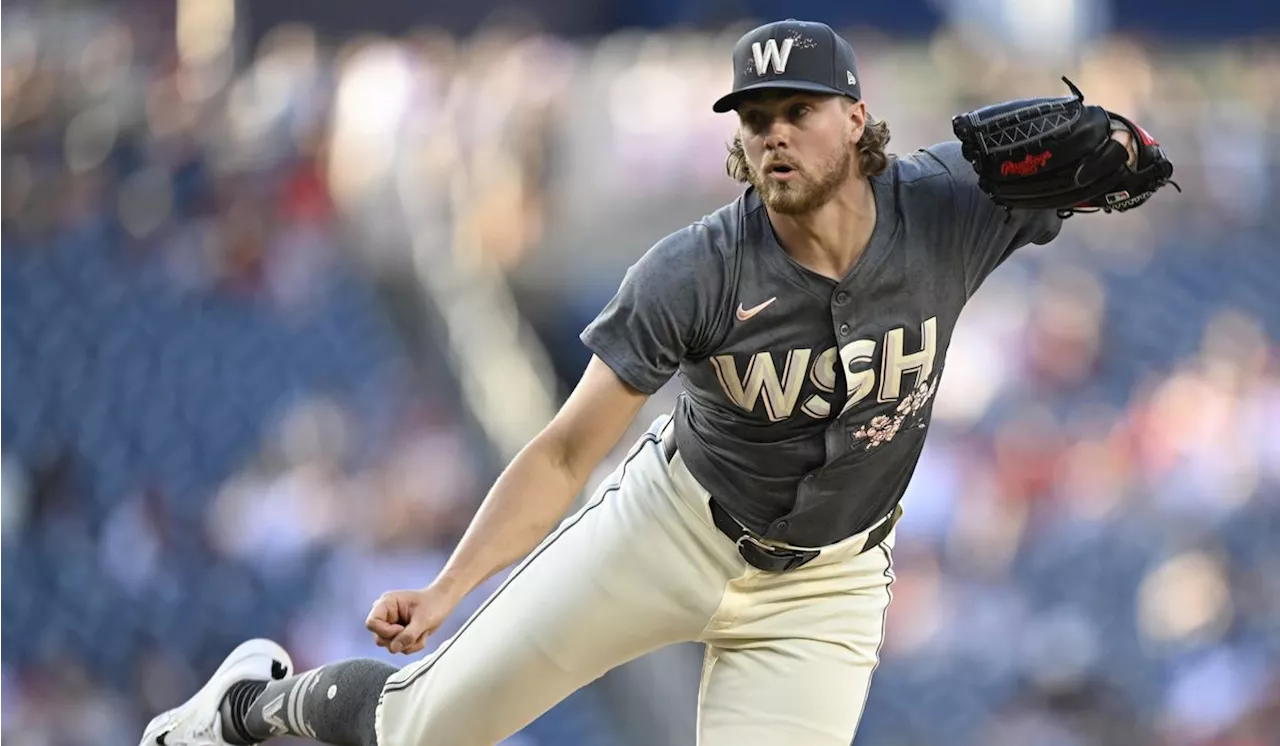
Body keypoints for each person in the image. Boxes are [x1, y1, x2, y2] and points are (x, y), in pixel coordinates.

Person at [141, 18, 1171, 746]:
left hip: (823, 586)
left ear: (854, 120)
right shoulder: (695, 268)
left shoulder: (953, 206)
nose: (770, 131)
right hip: (669, 528)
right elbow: (563, 450)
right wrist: (451, 588)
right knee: (421, 726)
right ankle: (245, 710)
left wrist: (1128, 144)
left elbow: (1111, 169)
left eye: (795, 109)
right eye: (752, 114)